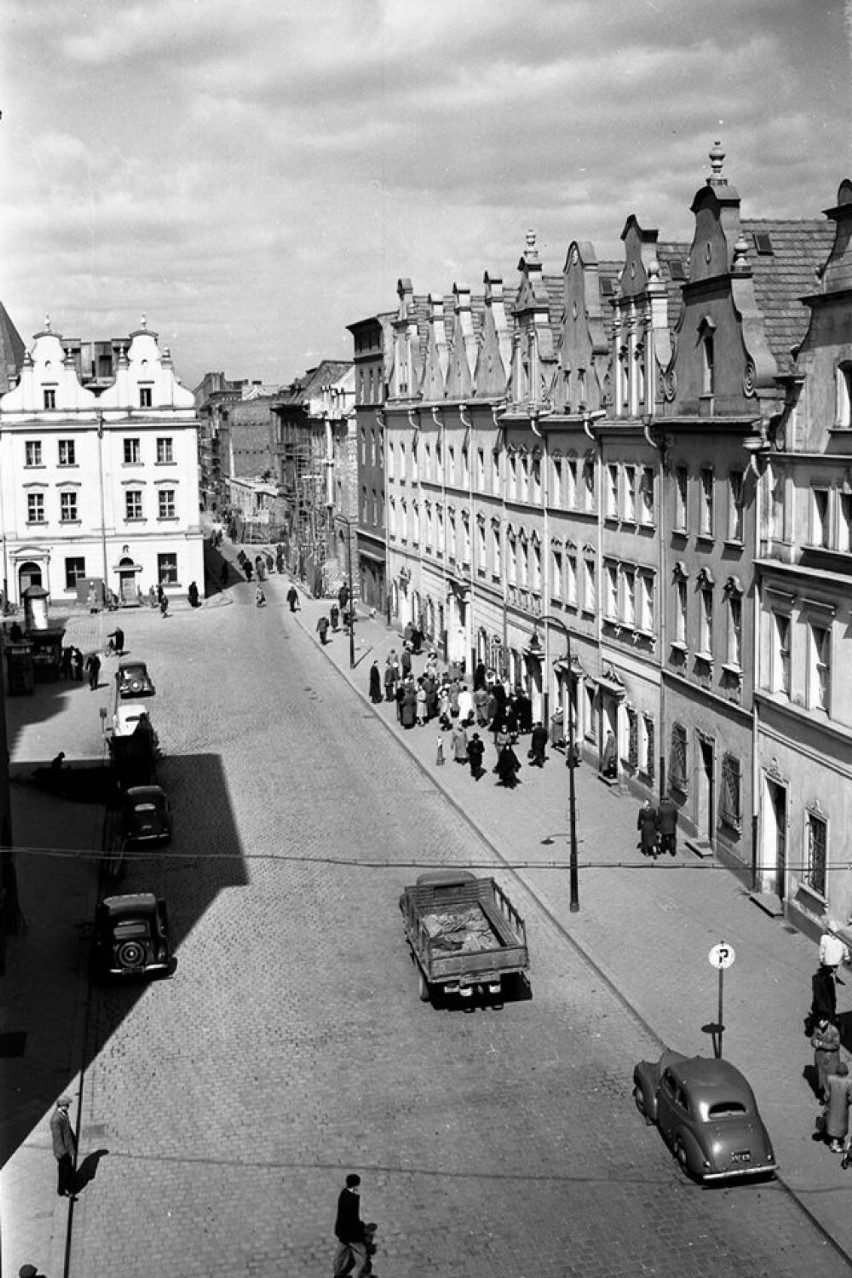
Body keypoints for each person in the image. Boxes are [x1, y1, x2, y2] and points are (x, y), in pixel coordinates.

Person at [333, 1173, 369, 1278]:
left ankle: (337, 1274)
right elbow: (353, 1220)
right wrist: (361, 1230)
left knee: (340, 1255)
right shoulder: (352, 1199)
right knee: (362, 1257)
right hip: (351, 1235)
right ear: (355, 1185)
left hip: (342, 1231)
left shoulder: (343, 1193)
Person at [50, 1096, 76, 1198]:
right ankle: (67, 1190)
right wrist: (63, 1152)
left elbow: (68, 1129)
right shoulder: (55, 1120)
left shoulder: (64, 1114)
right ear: (61, 1106)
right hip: (63, 1151)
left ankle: (62, 1189)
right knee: (65, 1172)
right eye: (67, 1105)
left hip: (68, 1147)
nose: (68, 1107)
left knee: (67, 1170)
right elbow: (57, 1139)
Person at [823, 1061, 852, 1153]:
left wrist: (827, 1100)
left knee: (832, 1121)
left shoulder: (830, 1078)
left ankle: (832, 1140)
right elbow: (851, 1097)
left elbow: (826, 1094)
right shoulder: (849, 1082)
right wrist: (848, 1102)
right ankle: (835, 1145)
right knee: (839, 1124)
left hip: (832, 1105)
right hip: (843, 1107)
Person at [813, 1015, 842, 1103]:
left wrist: (822, 1044)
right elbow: (813, 1038)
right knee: (820, 1076)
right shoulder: (817, 1028)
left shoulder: (833, 1031)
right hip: (819, 1057)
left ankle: (827, 1097)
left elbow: (836, 1045)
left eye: (822, 1021)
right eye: (819, 1021)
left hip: (830, 1058)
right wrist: (814, 1042)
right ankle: (822, 1093)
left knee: (829, 1078)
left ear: (826, 1021)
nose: (820, 1023)